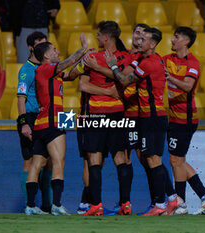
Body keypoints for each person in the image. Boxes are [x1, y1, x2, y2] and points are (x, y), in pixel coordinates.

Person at [105, 27, 183, 216]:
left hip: (152, 117)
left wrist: (113, 66)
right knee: (151, 159)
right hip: (151, 116)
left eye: (144, 40)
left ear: (153, 44)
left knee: (153, 160)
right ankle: (171, 199)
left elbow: (124, 80)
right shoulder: (152, 60)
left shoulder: (148, 63)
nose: (139, 42)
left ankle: (161, 204)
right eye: (138, 39)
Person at [24, 33, 88, 215]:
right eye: (54, 50)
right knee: (59, 162)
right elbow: (67, 63)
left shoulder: (51, 73)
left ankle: (30, 206)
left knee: (37, 164)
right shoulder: (45, 69)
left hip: (45, 122)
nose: (57, 51)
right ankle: (57, 205)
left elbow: (71, 74)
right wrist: (82, 48)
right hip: (54, 121)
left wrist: (84, 61)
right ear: (46, 56)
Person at [79, 21, 133, 216]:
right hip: (118, 112)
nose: (97, 38)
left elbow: (83, 86)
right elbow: (123, 82)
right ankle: (125, 203)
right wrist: (110, 93)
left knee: (94, 159)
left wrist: (101, 90)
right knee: (121, 159)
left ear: (106, 37)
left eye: (99, 35)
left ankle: (96, 205)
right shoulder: (126, 58)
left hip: (96, 113)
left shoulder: (92, 57)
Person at [164, 26, 205, 215]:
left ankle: (181, 204)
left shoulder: (193, 62)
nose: (172, 40)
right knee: (178, 160)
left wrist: (170, 77)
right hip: (173, 117)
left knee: (175, 160)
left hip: (185, 118)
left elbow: (187, 86)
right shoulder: (167, 60)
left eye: (176, 37)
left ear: (186, 41)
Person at [16, 31, 53, 215]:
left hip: (45, 117)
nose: (43, 49)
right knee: (29, 161)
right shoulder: (26, 70)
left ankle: (48, 206)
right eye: (40, 45)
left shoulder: (47, 69)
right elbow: (21, 98)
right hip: (30, 117)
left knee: (49, 161)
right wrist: (24, 123)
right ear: (31, 48)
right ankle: (29, 205)